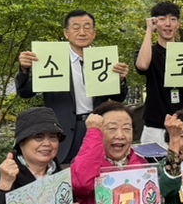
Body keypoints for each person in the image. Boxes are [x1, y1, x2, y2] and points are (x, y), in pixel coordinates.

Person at [15, 9, 130, 163]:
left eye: (87, 28)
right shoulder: (52, 59)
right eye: (76, 28)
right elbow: (25, 92)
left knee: (98, 169)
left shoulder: (104, 60)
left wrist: (121, 79)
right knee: (64, 174)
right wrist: (24, 69)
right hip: (64, 128)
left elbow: (118, 97)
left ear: (94, 33)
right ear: (66, 33)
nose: (82, 32)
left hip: (97, 125)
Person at [136, 2, 183, 145]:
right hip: (155, 126)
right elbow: (142, 65)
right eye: (162, 19)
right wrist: (149, 31)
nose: (168, 24)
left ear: (178, 24)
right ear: (155, 22)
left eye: (173, 19)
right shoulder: (149, 52)